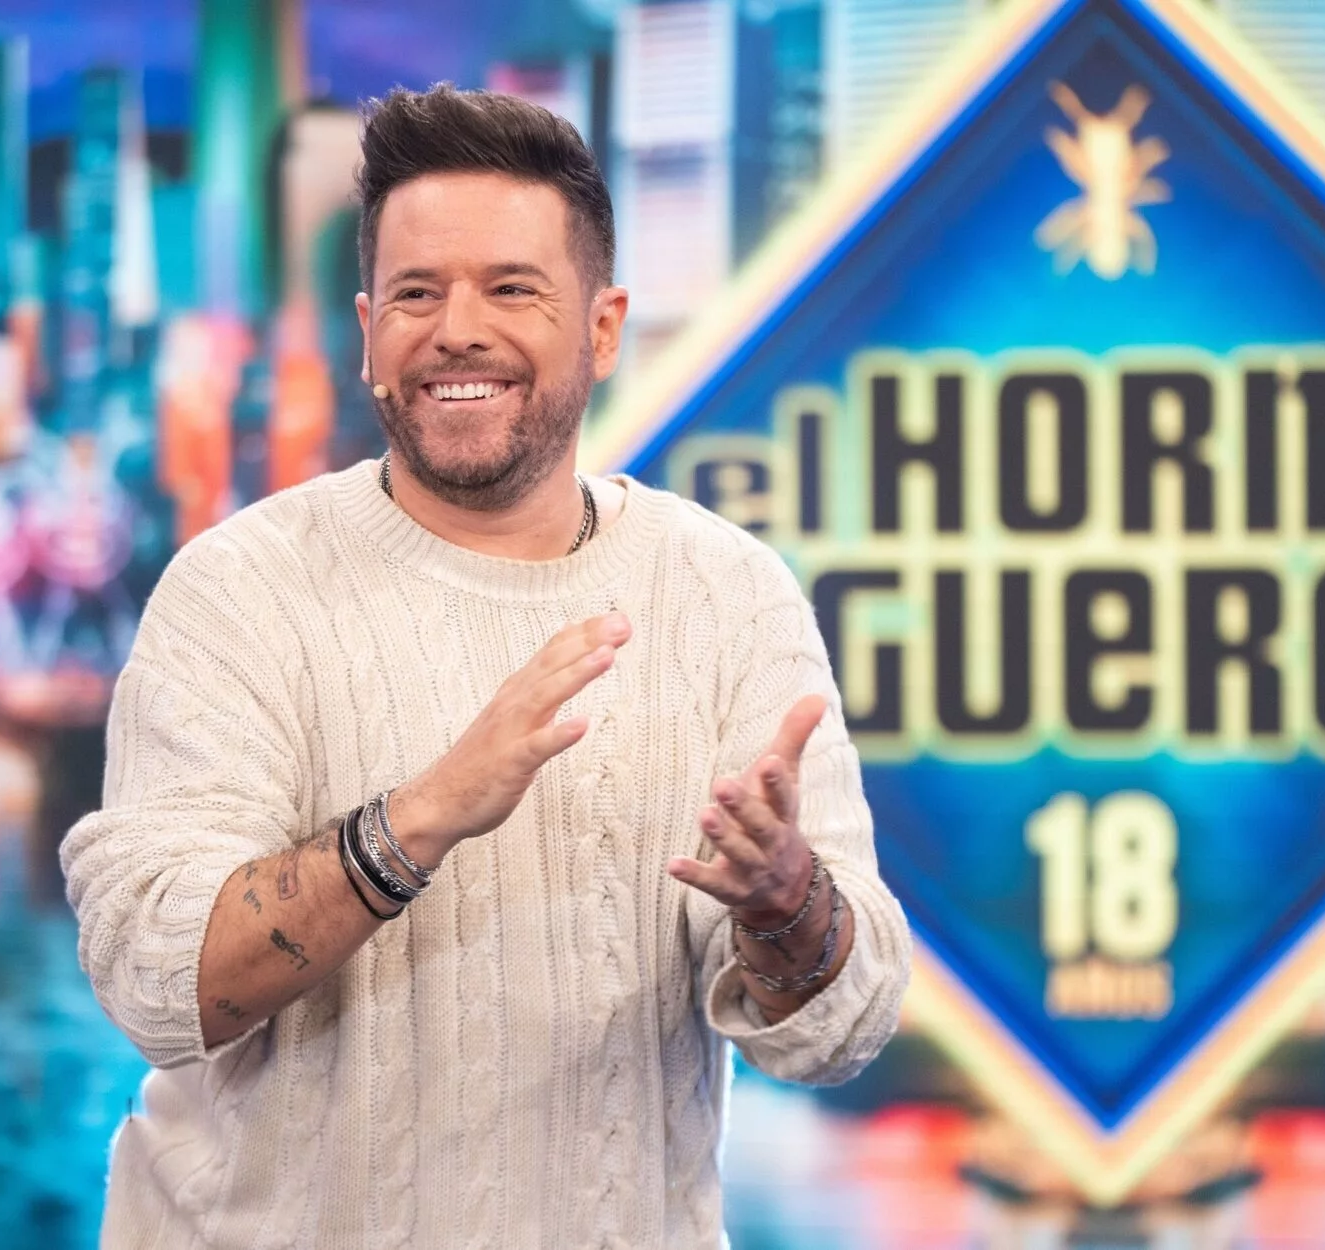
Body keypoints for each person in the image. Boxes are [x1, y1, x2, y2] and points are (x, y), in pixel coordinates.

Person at [61, 83, 913, 1247]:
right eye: (417, 293)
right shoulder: (238, 588)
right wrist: (419, 819)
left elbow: (838, 1031)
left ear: (602, 328)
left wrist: (784, 898)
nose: (456, 328)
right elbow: (154, 979)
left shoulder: (725, 592)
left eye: (511, 288)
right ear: (368, 330)